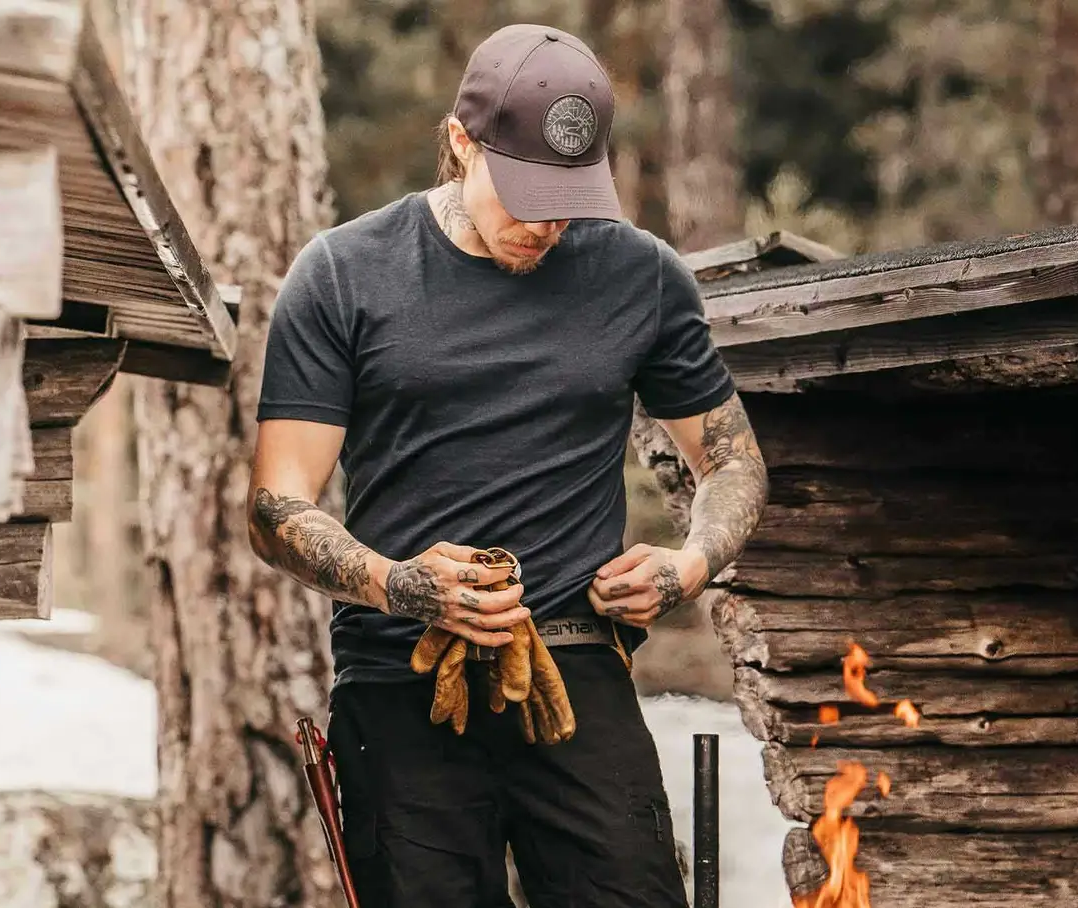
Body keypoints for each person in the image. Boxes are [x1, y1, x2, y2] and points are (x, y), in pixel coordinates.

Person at [246, 22, 768, 908]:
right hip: (399, 678)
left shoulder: (641, 276)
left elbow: (733, 463)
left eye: (569, 198)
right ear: (461, 141)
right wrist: (399, 584)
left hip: (577, 672)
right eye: (526, 194)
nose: (546, 224)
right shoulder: (342, 274)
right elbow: (274, 505)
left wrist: (688, 566)